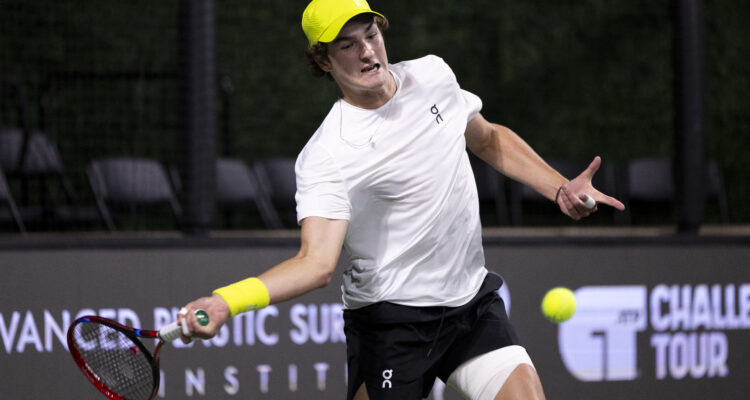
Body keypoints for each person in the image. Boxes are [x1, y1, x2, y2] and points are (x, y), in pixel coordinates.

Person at [178, 1, 625, 399]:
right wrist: (225, 301)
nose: (368, 52)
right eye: (348, 45)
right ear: (323, 61)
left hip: (471, 306)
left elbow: (487, 139)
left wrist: (559, 187)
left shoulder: (432, 75)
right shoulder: (328, 154)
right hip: (393, 324)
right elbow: (315, 265)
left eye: (371, 34)